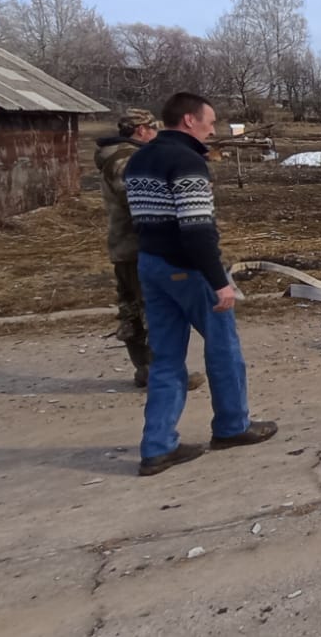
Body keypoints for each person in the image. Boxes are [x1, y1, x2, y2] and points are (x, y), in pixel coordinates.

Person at [124, 92, 277, 476]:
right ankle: (231, 426)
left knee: (166, 357)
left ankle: (157, 447)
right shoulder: (187, 162)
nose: (213, 129)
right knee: (223, 346)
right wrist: (218, 281)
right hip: (188, 268)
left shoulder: (139, 159)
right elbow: (196, 229)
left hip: (151, 264)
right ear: (189, 120)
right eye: (209, 121)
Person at [94, 108, 204, 392]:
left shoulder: (122, 156)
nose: (156, 136)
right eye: (153, 130)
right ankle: (160, 371)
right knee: (152, 311)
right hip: (137, 246)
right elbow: (139, 197)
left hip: (130, 246)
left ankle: (148, 369)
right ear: (142, 130)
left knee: (134, 308)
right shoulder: (123, 159)